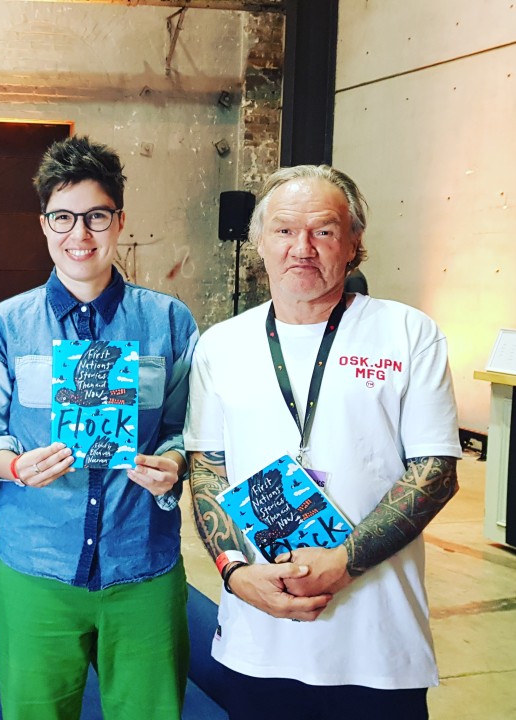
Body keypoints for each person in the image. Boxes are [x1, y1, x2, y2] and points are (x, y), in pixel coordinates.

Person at [184, 165, 460, 719]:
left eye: (324, 231)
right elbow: (207, 467)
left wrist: (344, 562)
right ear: (260, 241)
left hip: (378, 645)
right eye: (284, 230)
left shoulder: (408, 332)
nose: (301, 248)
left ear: (355, 243)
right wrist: (236, 575)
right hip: (258, 639)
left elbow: (436, 470)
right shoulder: (221, 345)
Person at [0, 136, 199, 719]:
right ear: (43, 224)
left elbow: (183, 429)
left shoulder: (169, 321)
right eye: (63, 218)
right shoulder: (5, 327)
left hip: (142, 567)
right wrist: (13, 466)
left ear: (119, 221)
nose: (81, 236)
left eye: (96, 216)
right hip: (35, 566)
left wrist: (173, 462)